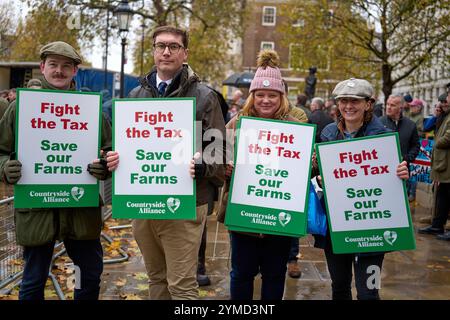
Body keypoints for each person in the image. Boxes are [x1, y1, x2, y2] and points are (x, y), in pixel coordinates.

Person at [106, 26, 226, 299]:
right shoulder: (136, 96)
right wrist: (114, 158)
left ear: (185, 53)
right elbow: (125, 147)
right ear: (154, 52)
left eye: (173, 46)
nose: (166, 51)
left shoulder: (205, 96)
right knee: (156, 280)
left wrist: (203, 166)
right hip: (144, 204)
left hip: (185, 205)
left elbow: (219, 153)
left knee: (182, 286)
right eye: (161, 46)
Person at [0, 41, 112, 300]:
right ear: (42, 67)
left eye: (66, 66)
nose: (59, 71)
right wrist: (6, 167)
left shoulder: (91, 110)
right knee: (33, 280)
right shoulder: (20, 108)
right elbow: (1, 151)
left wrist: (105, 165)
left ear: (75, 71)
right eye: (53, 65)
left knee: (88, 276)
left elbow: (111, 151)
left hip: (81, 211)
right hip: (37, 210)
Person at [315, 78, 409, 300]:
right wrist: (318, 175)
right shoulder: (328, 132)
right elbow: (317, 173)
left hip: (373, 231)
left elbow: (393, 185)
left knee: (369, 291)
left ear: (368, 104)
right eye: (343, 101)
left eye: (355, 101)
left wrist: (402, 174)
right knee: (339, 286)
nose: (348, 106)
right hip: (336, 227)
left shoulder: (384, 136)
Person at [223, 49, 301, 300]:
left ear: (281, 97)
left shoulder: (296, 127)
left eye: (272, 95)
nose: (266, 100)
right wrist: (225, 167)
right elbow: (217, 157)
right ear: (252, 96)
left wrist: (310, 164)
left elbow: (307, 169)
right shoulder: (236, 123)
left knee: (275, 274)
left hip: (279, 218)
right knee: (241, 274)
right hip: (243, 215)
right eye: (260, 95)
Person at [419, 82, 450, 240]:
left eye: (447, 98)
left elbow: (444, 139)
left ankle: (440, 225)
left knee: (445, 197)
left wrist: (436, 141)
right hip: (442, 164)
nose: (444, 103)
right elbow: (426, 127)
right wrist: (436, 114)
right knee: (441, 197)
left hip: (446, 165)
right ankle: (437, 225)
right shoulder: (443, 116)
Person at [380, 95, 420, 201]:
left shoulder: (410, 125)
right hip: (381, 171)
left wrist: (407, 159)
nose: (388, 107)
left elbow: (416, 145)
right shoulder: (378, 123)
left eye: (392, 105)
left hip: (402, 171)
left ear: (400, 107)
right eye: (387, 104)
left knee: (400, 200)